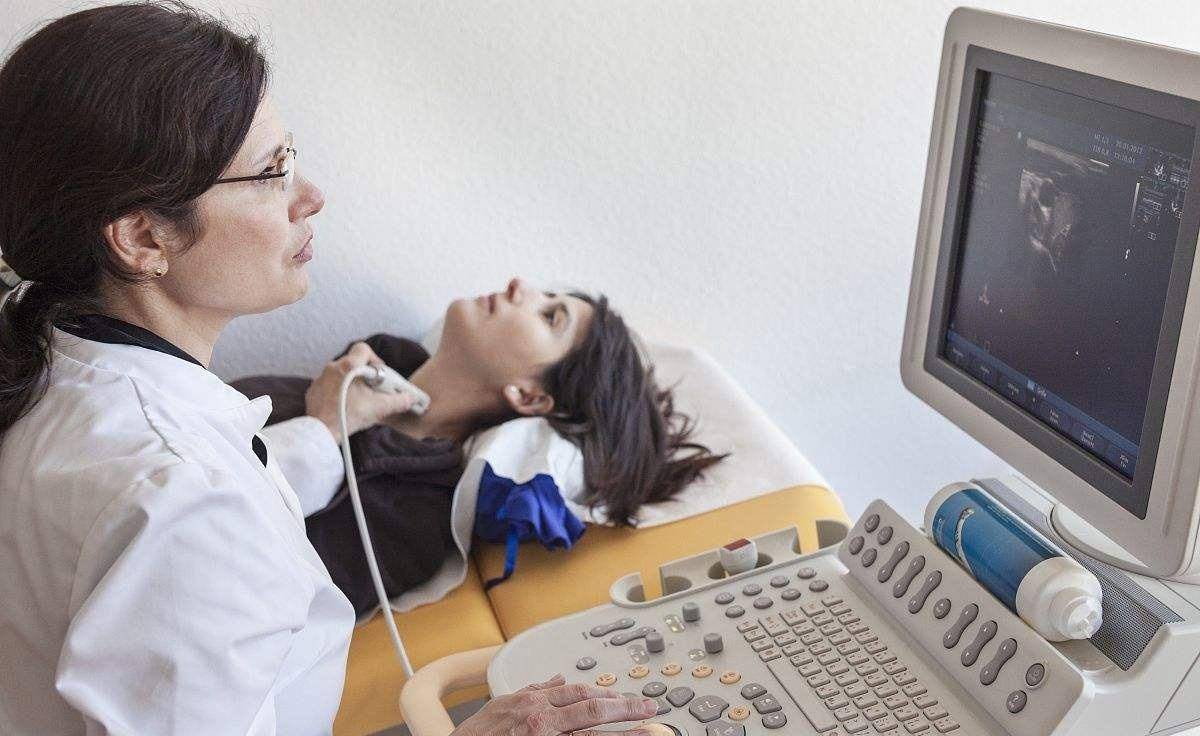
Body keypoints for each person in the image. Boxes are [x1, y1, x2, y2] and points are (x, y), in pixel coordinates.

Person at [0, 3, 662, 733]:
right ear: (142, 238)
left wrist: (323, 428)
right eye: (272, 172)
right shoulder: (186, 499)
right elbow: (203, 517)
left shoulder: (64, 366)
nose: (311, 196)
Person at [234, 277, 728, 613]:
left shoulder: (411, 519)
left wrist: (323, 429)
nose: (518, 286)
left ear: (529, 396)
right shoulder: (339, 379)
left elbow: (242, 581)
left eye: (549, 316)